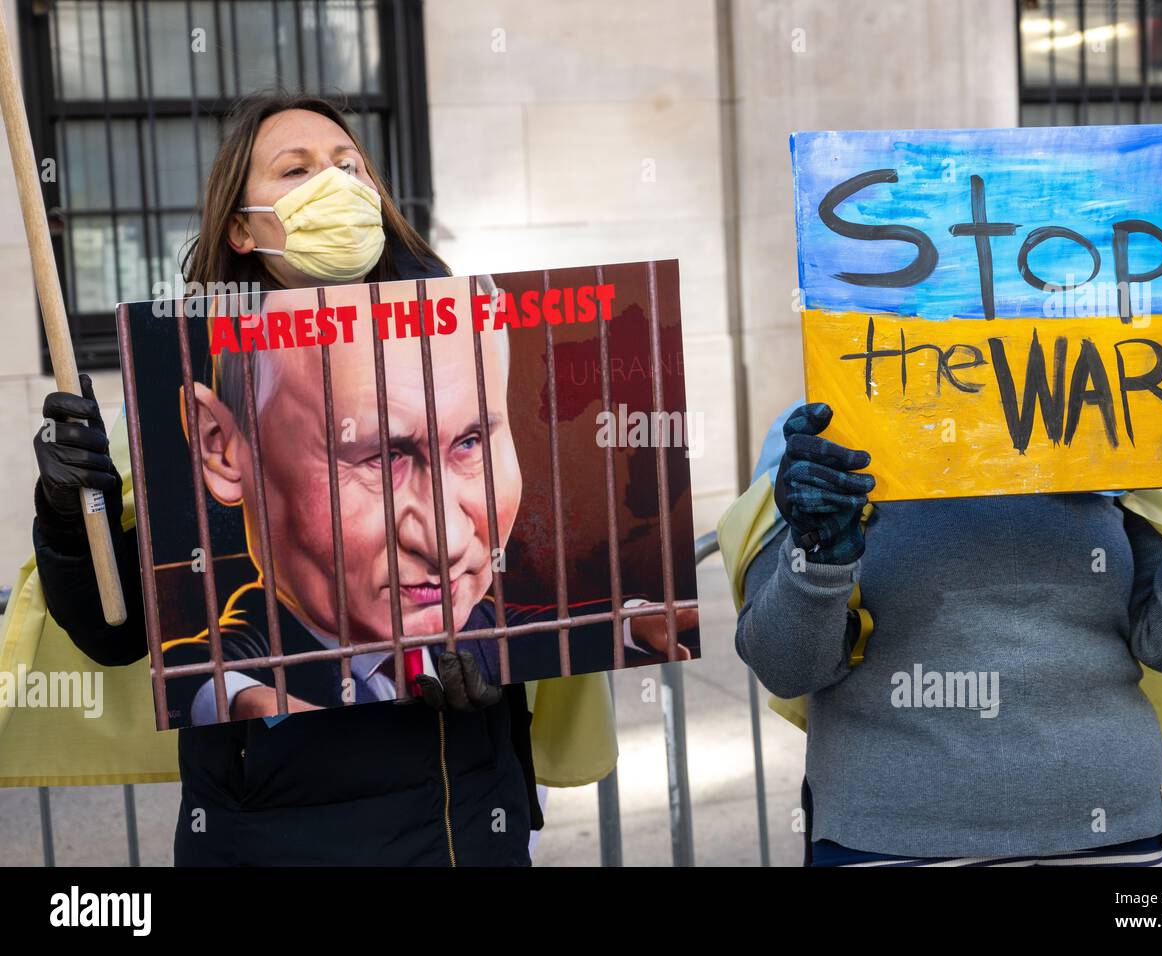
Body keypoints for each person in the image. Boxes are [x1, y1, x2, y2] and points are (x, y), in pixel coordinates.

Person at [30, 90, 684, 866]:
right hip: (273, 839)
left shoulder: (459, 328)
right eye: (297, 169)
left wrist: (510, 677)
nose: (334, 184)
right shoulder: (191, 370)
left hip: (466, 827)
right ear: (241, 225)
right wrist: (76, 513)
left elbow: (550, 607)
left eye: (349, 165)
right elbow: (119, 631)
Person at [734, 355, 1162, 867]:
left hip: (1110, 834)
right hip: (889, 839)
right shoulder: (824, 438)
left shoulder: (1117, 416)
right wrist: (817, 553)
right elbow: (788, 668)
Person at [163, 281, 690, 727]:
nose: (448, 542)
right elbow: (198, 669)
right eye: (380, 456)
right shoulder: (260, 645)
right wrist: (250, 703)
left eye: (470, 443)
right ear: (221, 447)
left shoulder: (477, 625)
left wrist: (629, 622)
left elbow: (536, 634)